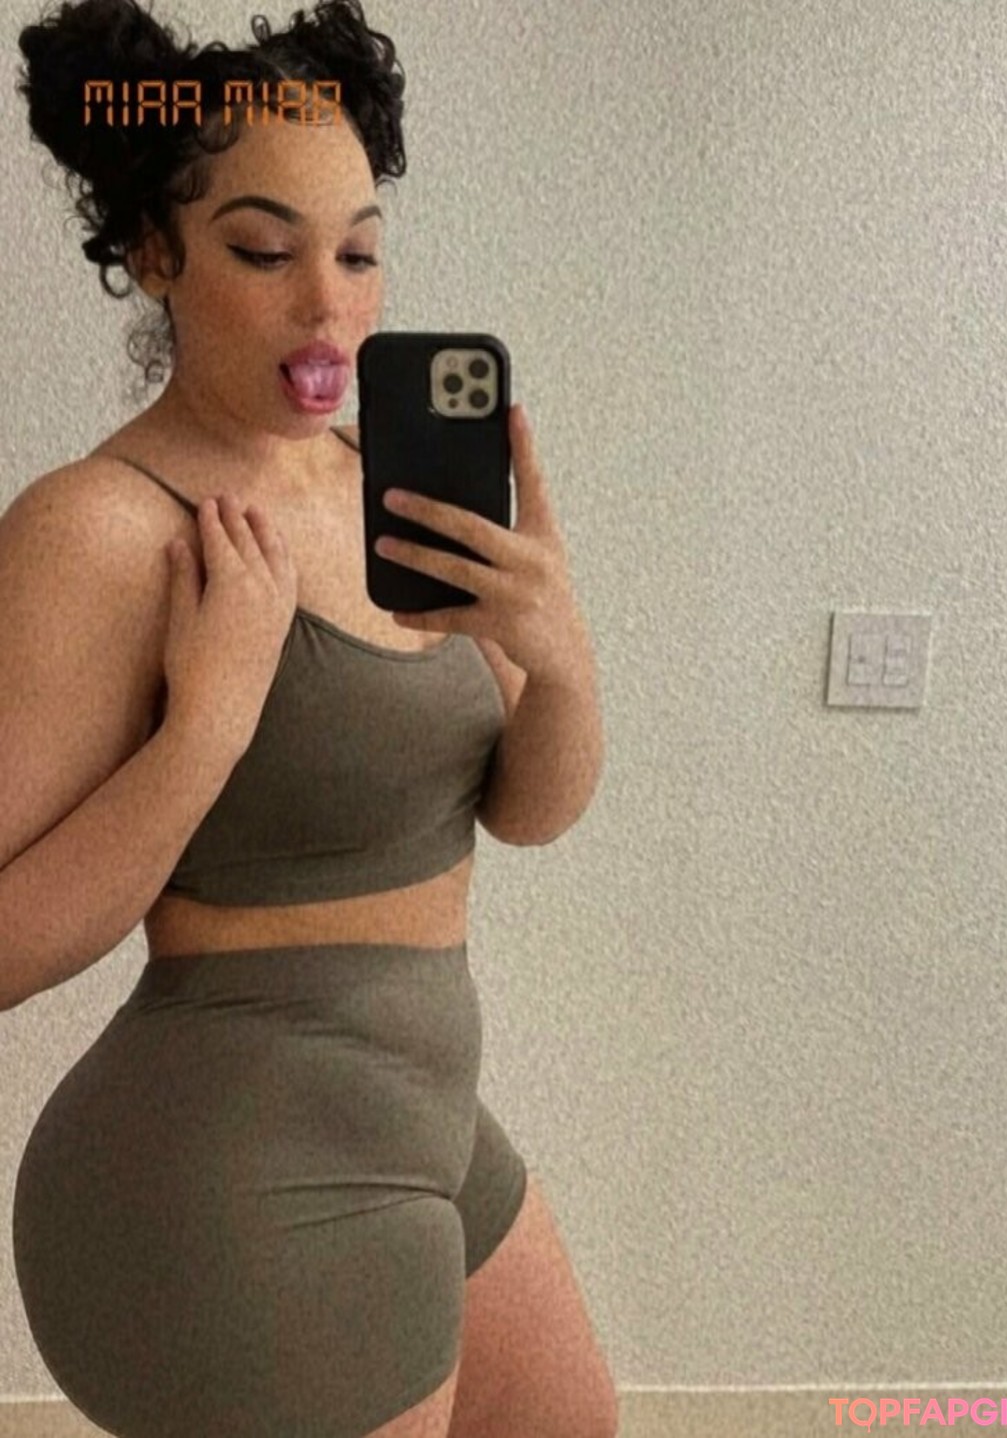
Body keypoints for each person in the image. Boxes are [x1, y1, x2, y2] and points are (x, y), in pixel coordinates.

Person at [4, 2, 616, 1435]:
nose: (329, 305)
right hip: (233, 1166)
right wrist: (202, 732)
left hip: (425, 1122)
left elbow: (530, 812)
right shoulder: (100, 531)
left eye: (358, 251)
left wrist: (560, 656)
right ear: (156, 254)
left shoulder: (390, 484)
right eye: (266, 252)